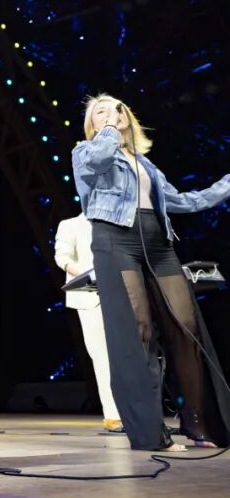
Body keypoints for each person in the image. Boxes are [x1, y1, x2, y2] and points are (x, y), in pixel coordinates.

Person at [71, 93, 230, 451]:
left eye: (116, 109)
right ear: (92, 125)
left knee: (186, 327)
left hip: (158, 245)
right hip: (116, 240)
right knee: (139, 331)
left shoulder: (146, 165)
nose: (110, 113)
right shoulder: (85, 151)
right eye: (100, 112)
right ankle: (150, 431)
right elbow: (98, 160)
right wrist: (109, 131)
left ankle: (197, 421)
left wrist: (226, 185)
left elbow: (184, 201)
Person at [54, 213, 122, 432]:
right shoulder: (70, 224)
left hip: (121, 295)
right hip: (91, 297)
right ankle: (113, 415)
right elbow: (62, 258)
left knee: (129, 354)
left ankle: (138, 412)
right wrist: (91, 275)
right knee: (102, 356)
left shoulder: (115, 223)